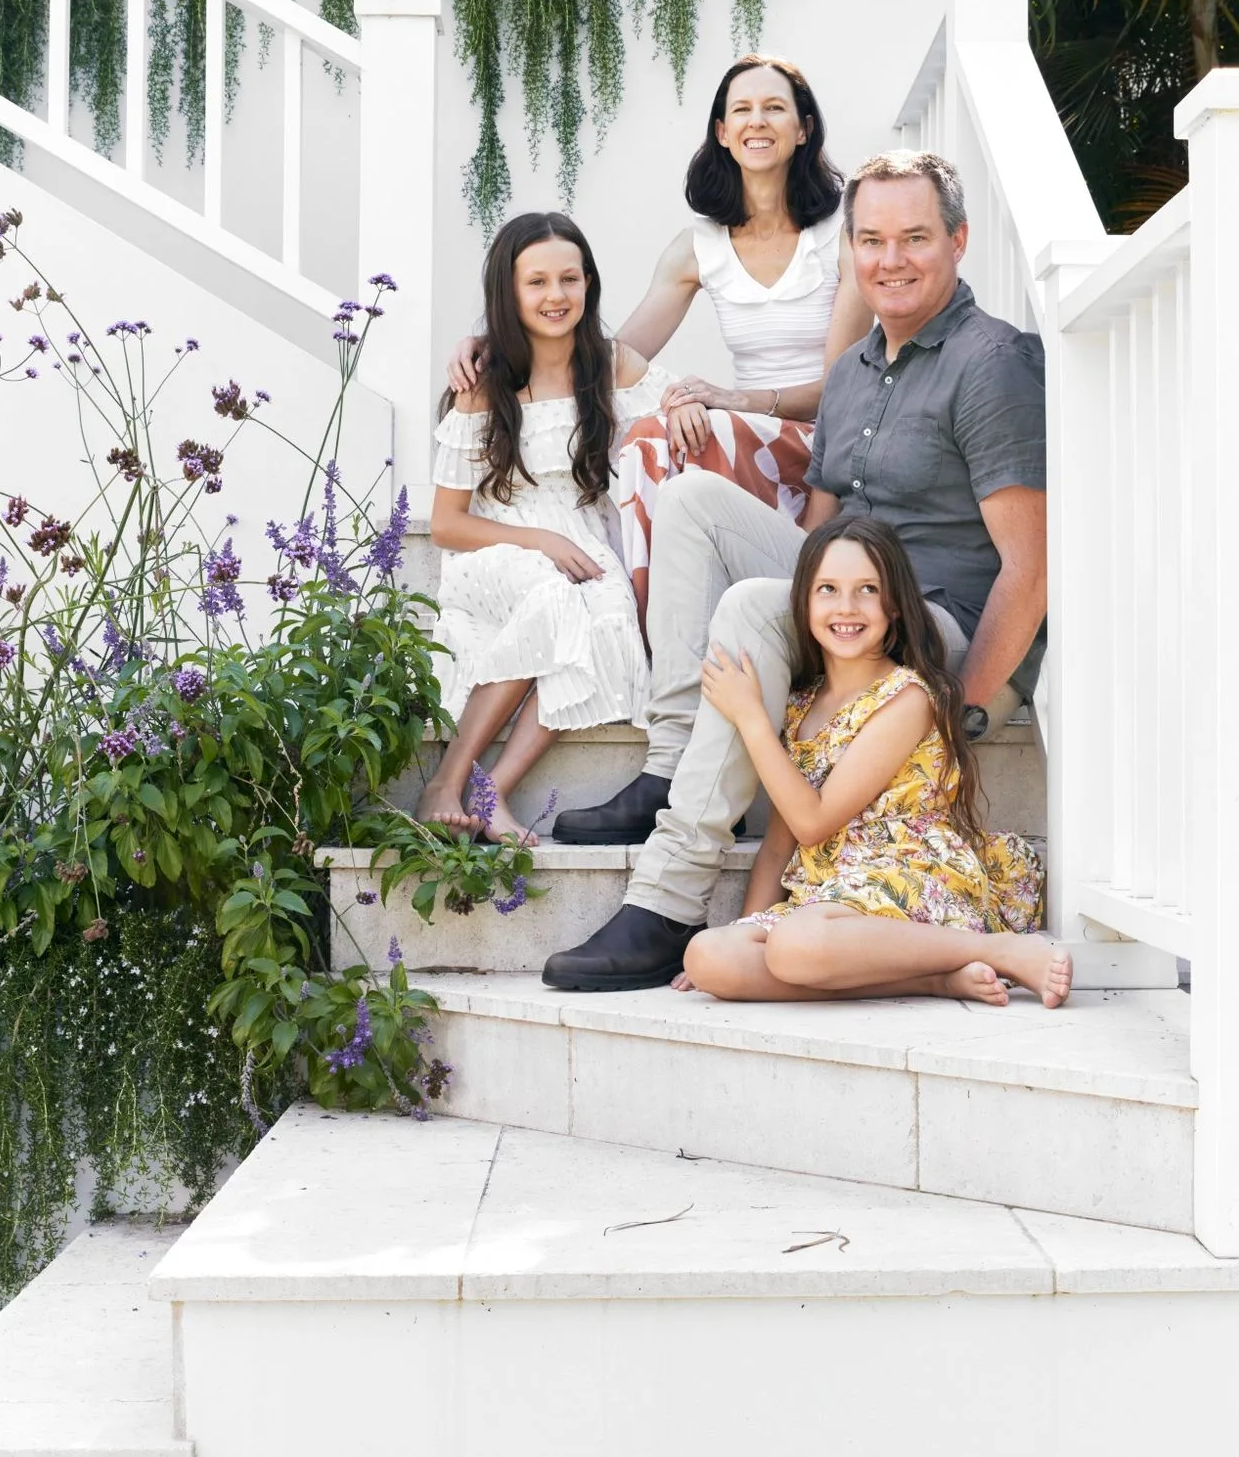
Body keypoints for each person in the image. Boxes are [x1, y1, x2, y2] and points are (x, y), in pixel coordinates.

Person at [541, 147, 1049, 990]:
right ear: (849, 252)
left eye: (914, 238)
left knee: (747, 608)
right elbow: (819, 542)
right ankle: (672, 759)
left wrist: (963, 710)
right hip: (854, 600)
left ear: (958, 242)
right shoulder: (849, 372)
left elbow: (1028, 568)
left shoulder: (989, 362)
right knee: (693, 499)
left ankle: (667, 897)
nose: (890, 260)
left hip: (936, 621)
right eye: (872, 240)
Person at [446, 55, 872, 630]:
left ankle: (665, 627)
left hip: (821, 443)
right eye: (741, 110)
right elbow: (601, 358)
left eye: (775, 108)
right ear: (722, 132)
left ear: (804, 129)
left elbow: (845, 393)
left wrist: (736, 399)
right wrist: (494, 337)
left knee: (689, 430)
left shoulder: (841, 237)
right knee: (654, 431)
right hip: (745, 444)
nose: (757, 121)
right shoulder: (699, 247)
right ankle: (652, 629)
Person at [676, 514, 1069, 1009]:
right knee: (708, 955)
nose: (846, 607)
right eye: (828, 590)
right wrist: (746, 930)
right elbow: (780, 844)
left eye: (867, 589)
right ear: (804, 601)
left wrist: (751, 718)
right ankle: (935, 979)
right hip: (831, 899)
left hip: (910, 876)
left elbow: (812, 823)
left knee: (796, 946)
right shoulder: (801, 704)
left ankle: (999, 949)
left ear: (896, 606)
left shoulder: (908, 698)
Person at [419, 211, 665, 846]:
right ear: (509, 291)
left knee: (610, 614)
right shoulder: (483, 382)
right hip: (498, 543)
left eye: (569, 279)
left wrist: (694, 408)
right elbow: (447, 524)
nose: (556, 296)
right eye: (537, 283)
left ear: (589, 284)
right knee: (553, 598)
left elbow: (675, 407)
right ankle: (444, 781)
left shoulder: (612, 367)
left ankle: (490, 790)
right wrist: (541, 542)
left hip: (586, 540)